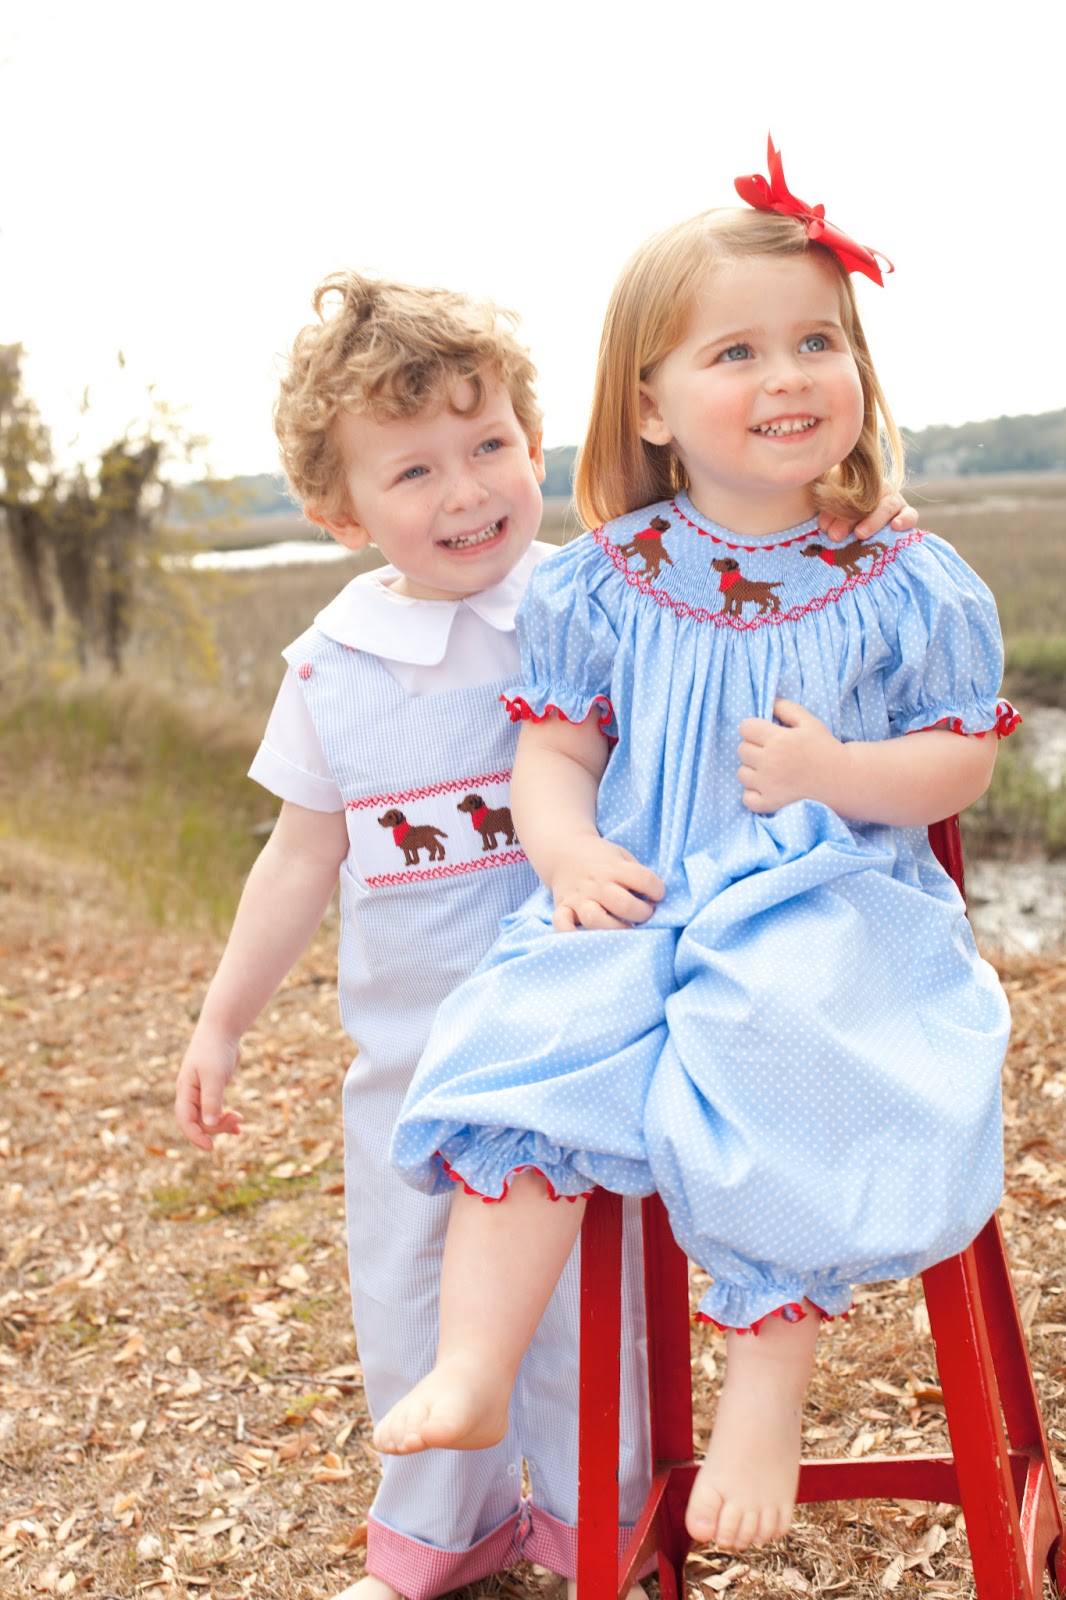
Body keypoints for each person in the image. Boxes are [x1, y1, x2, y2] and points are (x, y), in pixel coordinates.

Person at [373, 142, 1016, 1563]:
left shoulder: (904, 575)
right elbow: (553, 749)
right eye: (737, 351)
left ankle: (765, 1389)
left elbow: (961, 754)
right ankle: (476, 1359)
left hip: (827, 903)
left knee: (771, 1031)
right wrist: (561, 854)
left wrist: (839, 776)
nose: (788, 376)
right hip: (648, 893)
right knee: (530, 1022)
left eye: (816, 342)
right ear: (651, 404)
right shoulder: (601, 582)